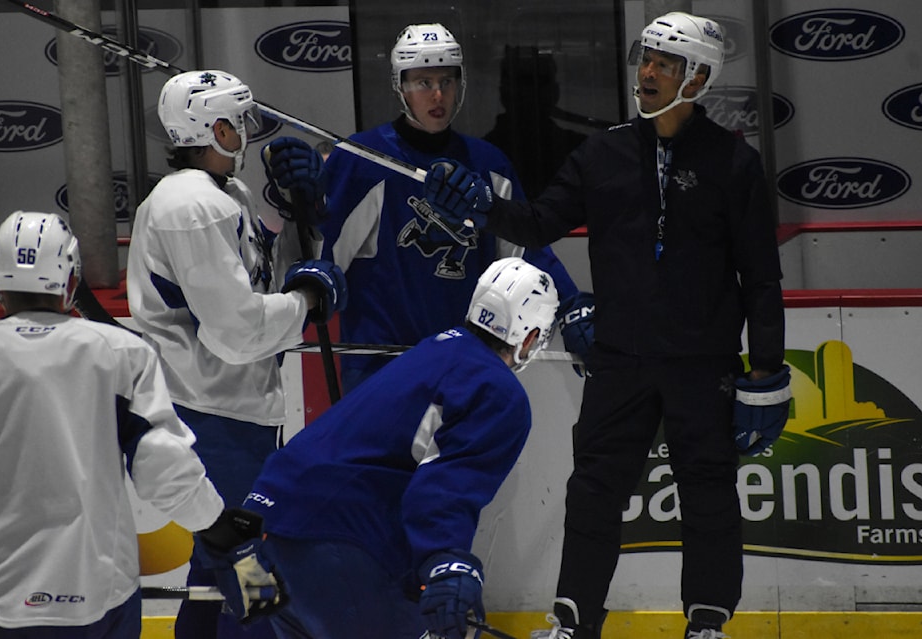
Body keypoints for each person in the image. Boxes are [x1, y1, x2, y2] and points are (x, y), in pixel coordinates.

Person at [422, 12, 791, 639]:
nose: (647, 72)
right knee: (593, 491)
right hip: (619, 361)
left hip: (703, 363)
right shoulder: (603, 153)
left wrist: (766, 371)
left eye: (665, 64)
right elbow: (539, 222)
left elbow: (760, 277)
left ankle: (707, 622)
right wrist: (482, 207)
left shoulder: (734, 163)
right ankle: (574, 620)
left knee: (708, 493)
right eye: (645, 59)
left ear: (698, 78)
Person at [227, 257, 558, 639]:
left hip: (261, 530)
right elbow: (444, 489)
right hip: (334, 541)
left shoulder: (431, 351)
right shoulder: (497, 390)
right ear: (530, 337)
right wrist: (446, 562)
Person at [126, 69, 346, 639]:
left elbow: (262, 284)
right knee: (247, 568)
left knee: (215, 570)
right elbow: (236, 331)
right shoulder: (190, 205)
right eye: (237, 121)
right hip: (209, 413)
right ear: (215, 128)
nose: (246, 131)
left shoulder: (227, 195)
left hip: (234, 407)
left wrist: (295, 211)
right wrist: (308, 301)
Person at [262, 23, 593, 393]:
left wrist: (572, 306)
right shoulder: (361, 161)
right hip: (381, 372)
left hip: (465, 368)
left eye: (446, 81)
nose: (438, 94)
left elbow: (527, 251)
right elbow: (320, 262)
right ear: (400, 86)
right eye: (423, 82)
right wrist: (303, 207)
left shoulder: (488, 163)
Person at [0, 211, 280, 637]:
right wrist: (218, 525)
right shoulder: (118, 352)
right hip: (97, 590)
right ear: (71, 279)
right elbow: (162, 467)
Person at [483, 45, 588, 199]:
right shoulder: (482, 157)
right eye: (521, 84)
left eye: (539, 83)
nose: (529, 94)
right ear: (504, 93)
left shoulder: (581, 151)